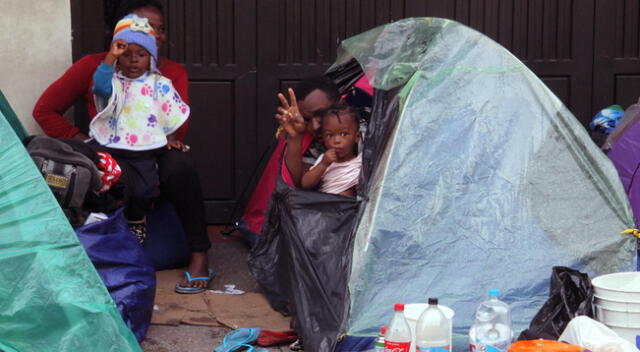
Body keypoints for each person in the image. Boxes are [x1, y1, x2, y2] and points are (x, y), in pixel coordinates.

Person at [32, 0, 211, 294]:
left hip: (154, 148)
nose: (155, 33)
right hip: (112, 149)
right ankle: (118, 247)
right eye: (145, 25)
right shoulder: (96, 68)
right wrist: (81, 142)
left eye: (160, 29)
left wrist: (168, 139)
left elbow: (176, 126)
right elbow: (45, 110)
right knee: (112, 174)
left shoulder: (169, 75)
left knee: (181, 166)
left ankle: (200, 255)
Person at [90, 13, 189, 240]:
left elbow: (170, 113)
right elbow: (99, 87)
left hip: (146, 152)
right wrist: (110, 56)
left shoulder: (159, 84)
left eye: (141, 55)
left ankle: (136, 219)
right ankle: (110, 224)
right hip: (114, 147)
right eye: (126, 55)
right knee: (109, 185)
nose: (133, 60)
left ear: (151, 58)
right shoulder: (114, 82)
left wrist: (171, 138)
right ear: (118, 58)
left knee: (145, 189)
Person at [239, 77, 340, 246]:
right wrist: (295, 138)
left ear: (339, 104)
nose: (315, 126)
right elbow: (300, 182)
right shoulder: (305, 136)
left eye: (322, 115)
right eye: (307, 119)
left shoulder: (362, 129)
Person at [300, 103, 362, 196]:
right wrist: (323, 164)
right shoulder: (324, 160)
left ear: (357, 137)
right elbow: (305, 184)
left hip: (350, 207)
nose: (336, 141)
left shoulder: (360, 162)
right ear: (323, 139)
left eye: (344, 134)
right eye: (329, 135)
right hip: (326, 206)